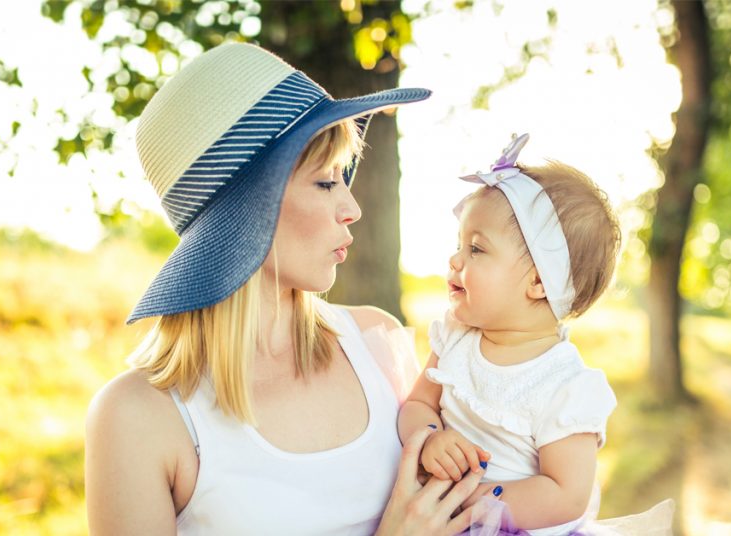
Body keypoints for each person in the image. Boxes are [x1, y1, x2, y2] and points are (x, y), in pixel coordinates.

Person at [84, 42, 486, 535]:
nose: (352, 208)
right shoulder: (137, 417)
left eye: (345, 177)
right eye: (325, 183)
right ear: (252, 207)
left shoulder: (379, 345)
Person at [397, 134, 674, 535]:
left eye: (476, 249)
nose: (455, 259)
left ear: (538, 282)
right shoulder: (457, 337)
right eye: (460, 244)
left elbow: (566, 494)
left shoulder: (564, 385)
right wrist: (430, 438)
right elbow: (418, 403)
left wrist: (477, 499)